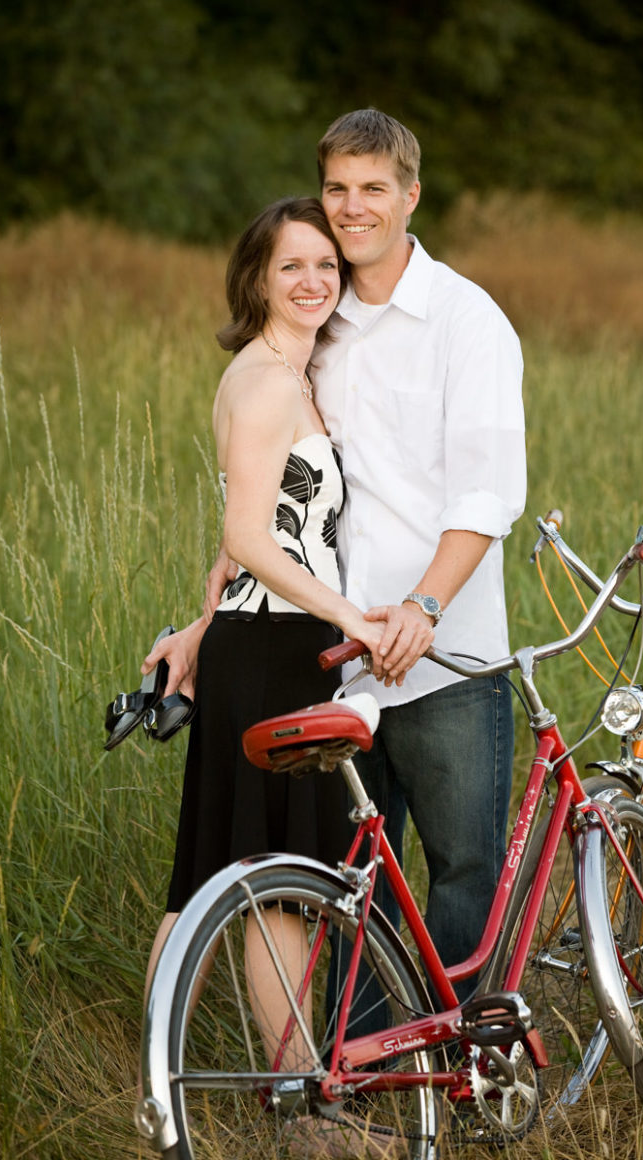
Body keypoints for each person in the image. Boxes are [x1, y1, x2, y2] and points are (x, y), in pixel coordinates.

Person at [175, 109, 526, 1001]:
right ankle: (359, 1069)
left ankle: (444, 1063)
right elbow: (274, 509)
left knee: (460, 875)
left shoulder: (465, 321)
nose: (353, 206)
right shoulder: (314, 329)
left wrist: (424, 607)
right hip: (330, 664)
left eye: (374, 188)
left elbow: (486, 492)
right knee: (344, 883)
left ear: (410, 195)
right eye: (338, 188)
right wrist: (205, 618)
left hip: (442, 652)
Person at [140, 196, 387, 1048]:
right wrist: (351, 615)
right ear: (257, 278)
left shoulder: (288, 376)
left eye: (326, 264)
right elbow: (247, 536)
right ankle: (293, 1095)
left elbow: (245, 545)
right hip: (276, 651)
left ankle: (164, 1087)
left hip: (265, 642)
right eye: (292, 266)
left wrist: (200, 628)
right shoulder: (262, 382)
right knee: (262, 882)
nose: (313, 280)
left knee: (216, 875)